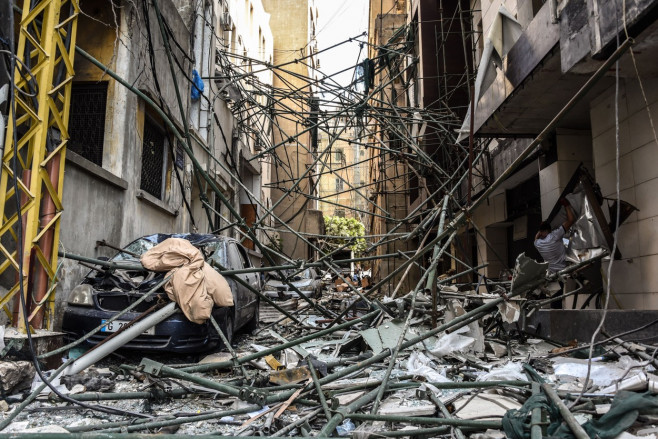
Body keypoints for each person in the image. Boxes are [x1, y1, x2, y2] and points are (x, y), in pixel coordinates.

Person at [534, 198, 576, 308]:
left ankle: (553, 315)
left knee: (555, 298)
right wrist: (566, 205)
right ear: (550, 230)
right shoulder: (555, 236)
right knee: (557, 299)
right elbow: (571, 220)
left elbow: (536, 237)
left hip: (552, 274)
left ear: (541, 232)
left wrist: (541, 230)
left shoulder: (538, 244)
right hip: (563, 271)